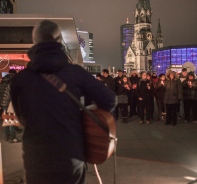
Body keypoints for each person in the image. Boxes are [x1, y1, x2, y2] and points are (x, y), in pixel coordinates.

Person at [10, 20, 116, 184]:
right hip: (70, 156)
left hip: (35, 159)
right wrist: (82, 113)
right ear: (59, 41)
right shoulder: (75, 73)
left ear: (35, 42)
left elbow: (22, 119)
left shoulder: (20, 80)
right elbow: (109, 100)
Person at [0, 69, 21, 143]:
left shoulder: (3, 80)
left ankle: (7, 136)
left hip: (3, 103)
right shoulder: (12, 81)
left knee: (6, 119)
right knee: (11, 120)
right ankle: (12, 137)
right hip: (9, 102)